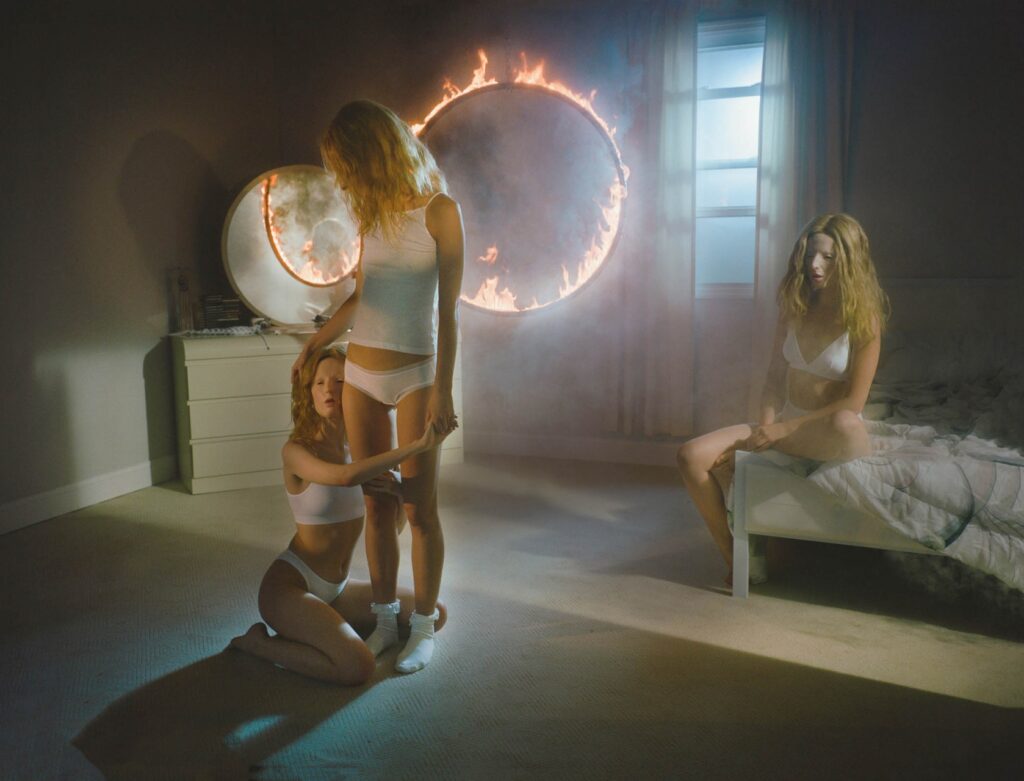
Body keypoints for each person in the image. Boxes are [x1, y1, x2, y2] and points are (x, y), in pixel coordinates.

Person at [291, 100, 464, 673]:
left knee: (419, 508)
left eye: (348, 164)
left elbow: (449, 314)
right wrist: (316, 343)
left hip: (417, 375)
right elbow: (362, 297)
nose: (346, 179)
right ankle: (387, 622)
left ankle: (423, 629)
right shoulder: (372, 217)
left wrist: (443, 389)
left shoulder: (440, 211)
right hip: (362, 375)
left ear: (373, 152)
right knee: (377, 502)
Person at [676, 213, 889, 584]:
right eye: (809, 255)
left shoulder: (864, 319)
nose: (814, 265)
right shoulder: (795, 307)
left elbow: (854, 402)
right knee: (690, 456)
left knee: (846, 424)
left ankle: (768, 453)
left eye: (827, 257)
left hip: (829, 430)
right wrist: (767, 427)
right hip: (785, 425)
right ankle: (737, 558)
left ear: (849, 262)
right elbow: (774, 380)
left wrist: (780, 433)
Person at [230, 346, 451, 685]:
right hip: (290, 586)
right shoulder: (297, 451)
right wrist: (418, 446)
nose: (328, 390)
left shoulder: (358, 452)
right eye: (318, 383)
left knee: (435, 613)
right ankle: (258, 644)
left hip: (339, 589)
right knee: (357, 667)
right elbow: (346, 477)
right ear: (308, 392)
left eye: (339, 381)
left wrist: (398, 492)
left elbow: (391, 528)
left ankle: (321, 625)